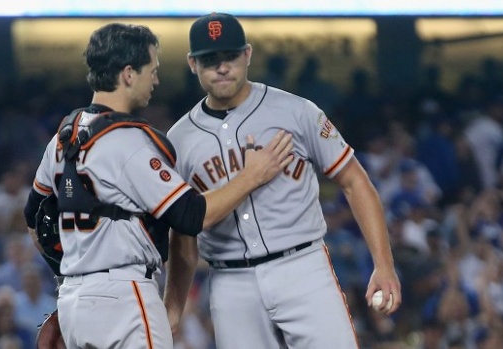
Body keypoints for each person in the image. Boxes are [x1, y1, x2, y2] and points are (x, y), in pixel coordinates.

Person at [22, 23, 294, 349]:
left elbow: (34, 219)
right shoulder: (127, 142)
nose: (156, 80)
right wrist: (253, 176)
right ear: (128, 74)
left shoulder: (63, 137)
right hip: (124, 297)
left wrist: (78, 278)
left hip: (73, 301)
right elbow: (190, 215)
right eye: (152, 69)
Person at [163, 12, 402, 349]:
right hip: (231, 281)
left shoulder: (295, 111)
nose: (222, 67)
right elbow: (183, 233)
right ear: (192, 63)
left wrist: (384, 264)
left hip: (302, 266)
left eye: (229, 56)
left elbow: (354, 181)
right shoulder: (179, 139)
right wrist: (174, 304)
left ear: (247, 54)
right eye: (209, 59)